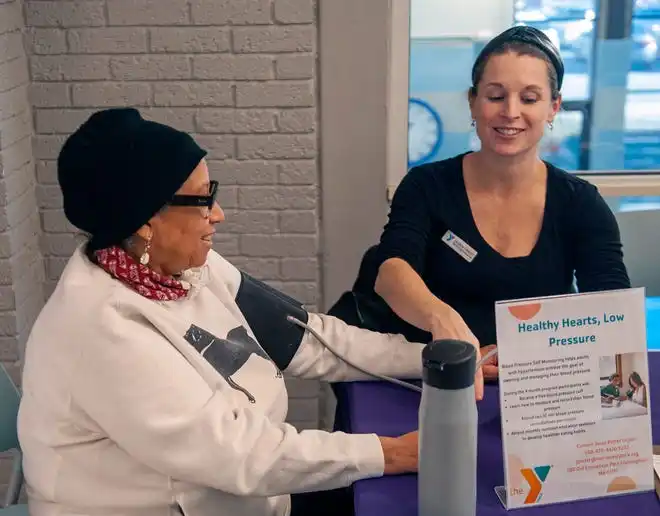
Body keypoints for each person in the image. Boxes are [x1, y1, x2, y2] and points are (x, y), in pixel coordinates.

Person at [16, 108, 453, 516]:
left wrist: (428, 359)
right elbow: (239, 454)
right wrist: (388, 452)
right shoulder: (102, 330)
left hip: (246, 494)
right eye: (204, 200)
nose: (218, 215)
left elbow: (307, 338)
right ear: (146, 221)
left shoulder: (188, 269)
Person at [343, 26, 630, 380]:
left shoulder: (581, 203)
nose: (510, 112)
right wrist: (444, 322)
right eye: (495, 96)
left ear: (553, 107)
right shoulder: (427, 185)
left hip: (542, 387)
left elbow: (613, 312)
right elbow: (391, 270)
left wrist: (527, 356)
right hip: (434, 374)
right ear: (472, 101)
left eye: (529, 98)